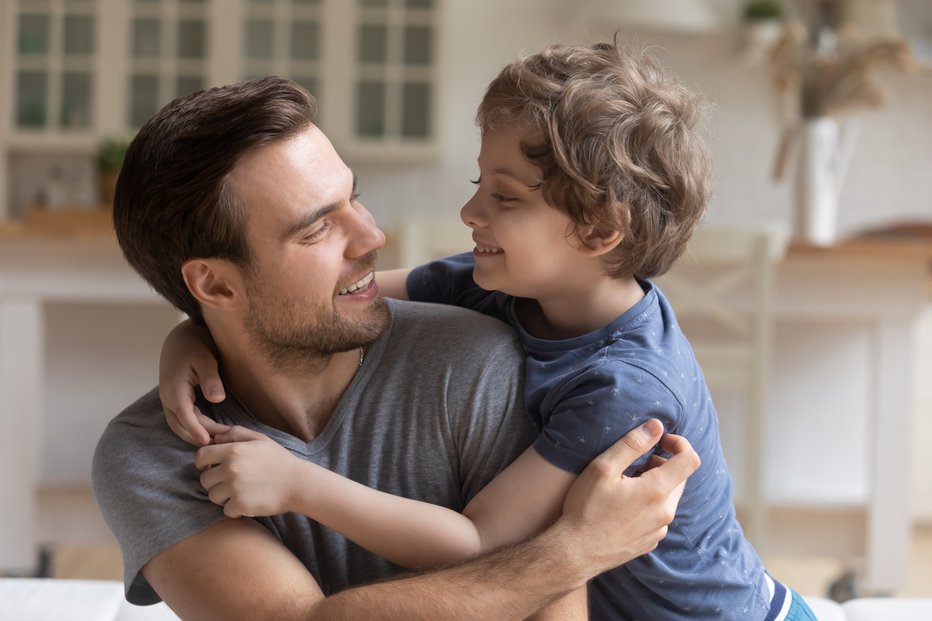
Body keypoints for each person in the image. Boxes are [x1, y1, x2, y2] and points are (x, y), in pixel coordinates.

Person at [160, 42, 817, 619]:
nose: (471, 210)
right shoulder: (497, 280)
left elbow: (480, 542)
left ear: (598, 229)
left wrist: (299, 483)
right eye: (481, 183)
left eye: (505, 197)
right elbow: (320, 304)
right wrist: (191, 335)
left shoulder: (625, 386)